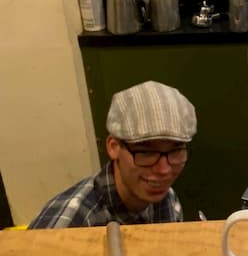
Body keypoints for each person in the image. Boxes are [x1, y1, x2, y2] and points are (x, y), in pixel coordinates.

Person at [29, 80, 197, 228]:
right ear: (113, 147)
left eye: (175, 151)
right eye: (146, 152)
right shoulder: (72, 223)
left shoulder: (167, 199)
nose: (163, 170)